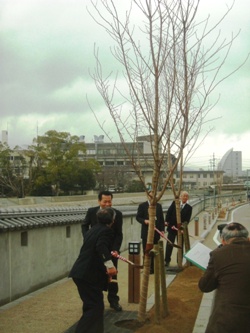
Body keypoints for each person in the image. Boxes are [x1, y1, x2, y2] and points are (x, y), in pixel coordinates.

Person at [69, 208, 117, 333]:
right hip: (87, 275)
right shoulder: (107, 231)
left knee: (92, 306)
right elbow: (100, 246)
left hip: (81, 273)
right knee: (95, 308)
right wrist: (110, 265)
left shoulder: (92, 230)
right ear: (112, 220)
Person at [198, 222, 250, 333]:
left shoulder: (218, 255)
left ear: (223, 240)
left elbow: (205, 286)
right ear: (247, 238)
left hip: (227, 320)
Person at [81, 190, 123, 311]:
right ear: (99, 201)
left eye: (110, 201)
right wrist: (87, 238)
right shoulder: (92, 211)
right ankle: (95, 302)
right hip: (96, 251)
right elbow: (84, 225)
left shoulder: (117, 214)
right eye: (105, 201)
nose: (108, 204)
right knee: (95, 276)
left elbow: (119, 234)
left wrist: (116, 249)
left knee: (113, 276)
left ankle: (114, 300)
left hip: (111, 251)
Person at [136, 192, 165, 274]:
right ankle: (146, 268)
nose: (152, 197)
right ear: (147, 196)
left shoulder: (158, 206)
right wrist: (144, 221)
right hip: (146, 233)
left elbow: (161, 219)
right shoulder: (142, 206)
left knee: (155, 250)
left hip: (156, 232)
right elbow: (138, 217)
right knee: (146, 250)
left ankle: (154, 268)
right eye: (150, 196)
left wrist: (162, 230)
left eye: (153, 196)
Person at [165, 191, 192, 266]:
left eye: (186, 196)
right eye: (183, 196)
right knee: (169, 244)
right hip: (172, 228)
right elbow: (169, 213)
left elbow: (187, 220)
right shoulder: (175, 204)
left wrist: (183, 228)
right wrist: (167, 221)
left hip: (181, 230)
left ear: (188, 198)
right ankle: (167, 260)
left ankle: (179, 261)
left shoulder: (189, 208)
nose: (185, 197)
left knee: (180, 246)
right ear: (180, 197)